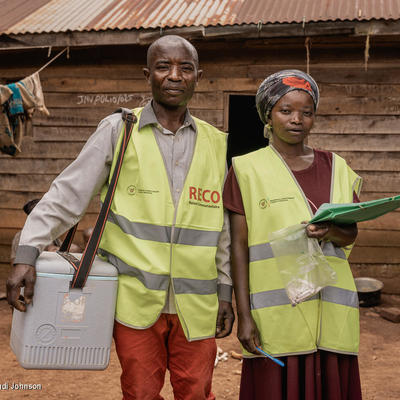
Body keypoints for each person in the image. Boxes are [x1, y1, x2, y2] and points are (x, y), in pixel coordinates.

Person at [7, 35, 234, 400]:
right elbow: (68, 195)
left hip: (199, 304)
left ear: (198, 77)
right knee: (141, 392)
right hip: (134, 300)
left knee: (196, 391)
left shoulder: (217, 142)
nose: (174, 76)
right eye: (163, 67)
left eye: (185, 68)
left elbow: (222, 228)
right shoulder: (119, 130)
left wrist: (226, 290)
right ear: (148, 75)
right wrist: (27, 253)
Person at [223, 70, 363, 399]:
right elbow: (239, 248)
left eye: (307, 112)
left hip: (331, 317)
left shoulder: (337, 167)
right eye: (286, 110)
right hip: (277, 320)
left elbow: (349, 235)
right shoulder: (246, 169)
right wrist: (244, 316)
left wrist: (330, 231)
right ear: (268, 115)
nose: (297, 119)